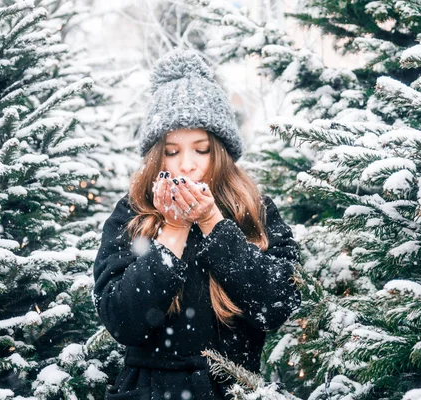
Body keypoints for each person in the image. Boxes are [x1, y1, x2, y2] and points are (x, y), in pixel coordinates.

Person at [93, 48, 302, 400]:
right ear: (156, 155)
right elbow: (122, 320)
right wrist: (172, 231)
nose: (186, 165)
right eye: (172, 151)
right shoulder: (131, 214)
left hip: (236, 391)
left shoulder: (255, 209)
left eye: (200, 149)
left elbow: (277, 304)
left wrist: (212, 223)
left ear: (219, 152)